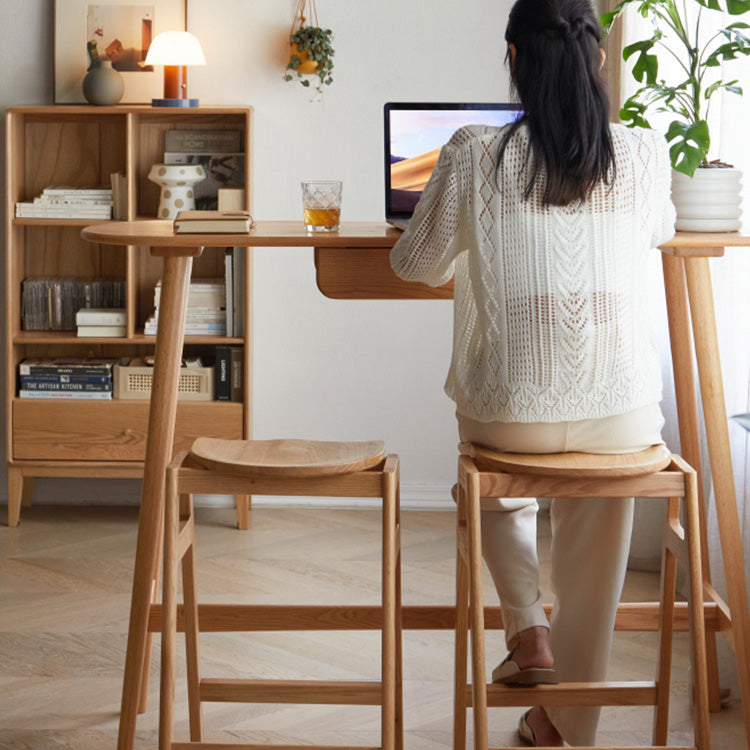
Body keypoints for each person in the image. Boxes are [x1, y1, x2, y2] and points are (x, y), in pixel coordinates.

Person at [389, 0, 675, 745]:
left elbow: (413, 266)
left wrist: (472, 239)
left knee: (492, 481)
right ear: (600, 61)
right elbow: (660, 230)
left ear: (513, 60)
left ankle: (527, 632)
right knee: (595, 522)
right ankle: (567, 727)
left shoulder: (471, 149)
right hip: (623, 417)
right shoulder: (643, 151)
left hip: (507, 413)